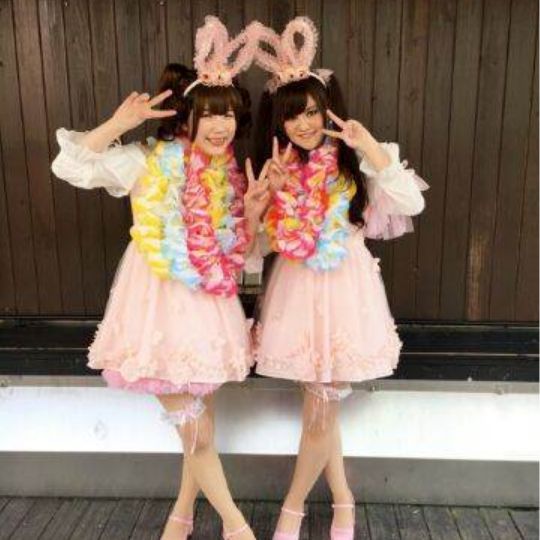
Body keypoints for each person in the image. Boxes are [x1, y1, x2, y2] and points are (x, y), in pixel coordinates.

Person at [51, 16, 269, 540]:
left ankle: (181, 516)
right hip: (153, 307)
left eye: (227, 115)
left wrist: (253, 213)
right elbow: (70, 166)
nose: (219, 126)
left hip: (207, 308)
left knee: (201, 426)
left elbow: (240, 256)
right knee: (196, 431)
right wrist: (117, 124)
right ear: (186, 117)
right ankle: (238, 528)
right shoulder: (145, 161)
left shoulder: (227, 176)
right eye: (208, 115)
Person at [249, 16, 429, 540]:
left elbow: (411, 202)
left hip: (347, 290)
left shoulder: (356, 164)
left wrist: (370, 147)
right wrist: (264, 201)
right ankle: (343, 500)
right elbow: (260, 248)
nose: (303, 124)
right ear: (278, 122)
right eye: (292, 115)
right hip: (297, 293)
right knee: (321, 405)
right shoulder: (277, 167)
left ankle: (293, 510)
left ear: (328, 109)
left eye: (311, 111)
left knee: (321, 406)